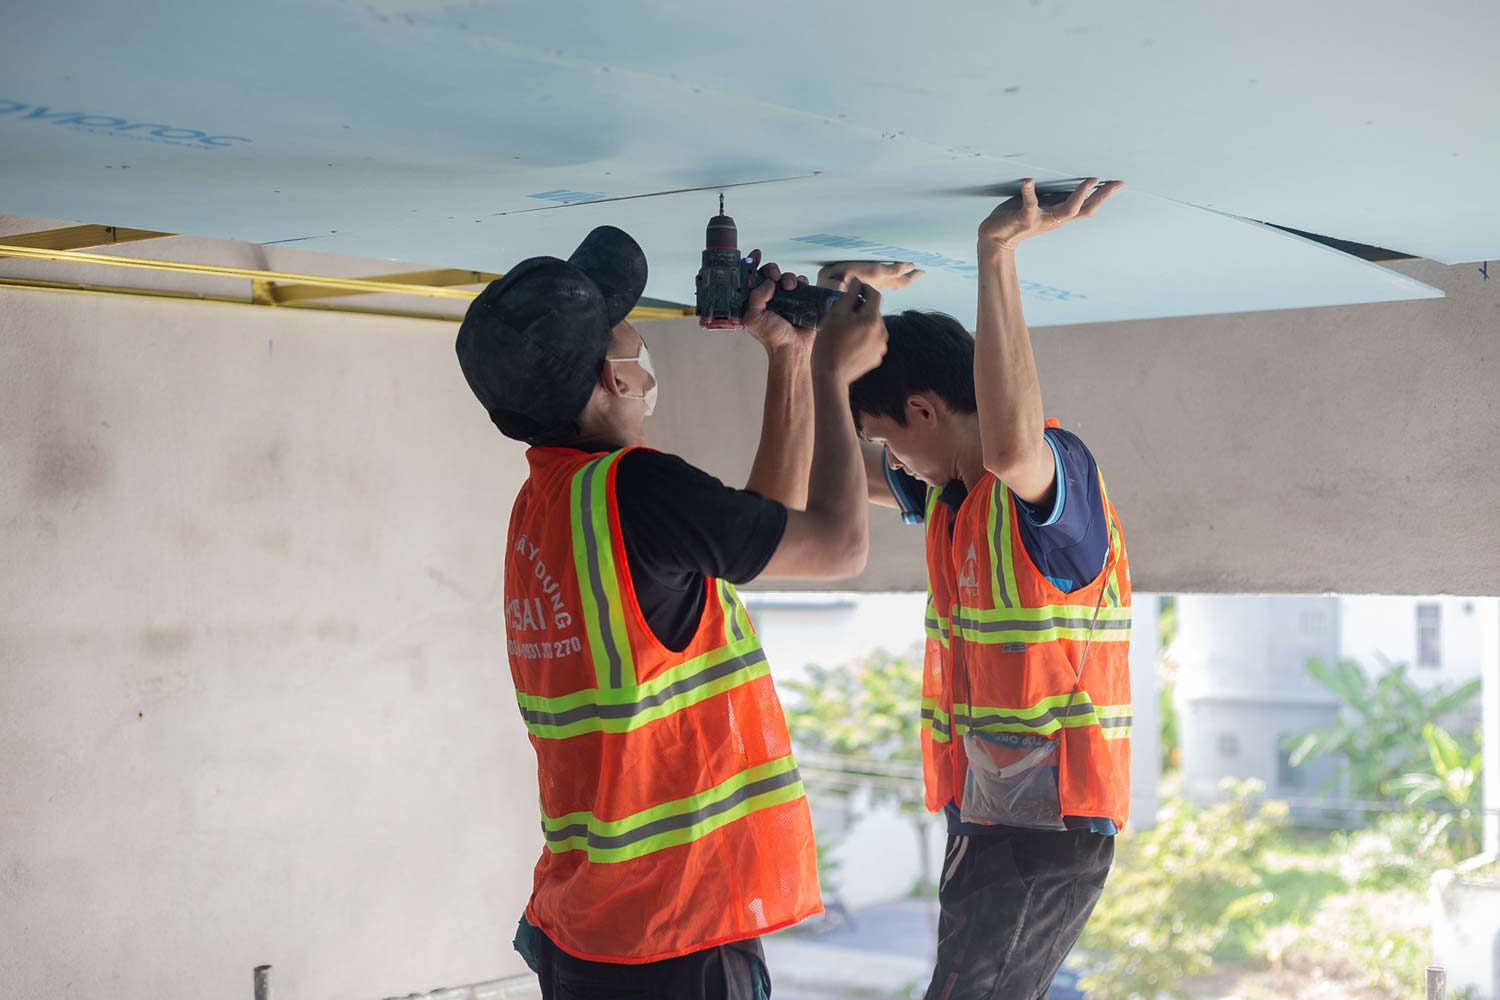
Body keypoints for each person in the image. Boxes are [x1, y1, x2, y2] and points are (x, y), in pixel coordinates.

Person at [454, 224, 888, 999]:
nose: (636, 336)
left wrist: (788, 356)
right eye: (622, 331)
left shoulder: (550, 502)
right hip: (675, 932)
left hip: (598, 928)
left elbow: (764, 525)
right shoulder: (636, 491)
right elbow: (837, 547)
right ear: (615, 382)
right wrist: (834, 374)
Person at [845, 179, 1132, 1000]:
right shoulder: (948, 497)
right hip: (987, 811)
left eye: (887, 440)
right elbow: (821, 474)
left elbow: (1011, 445)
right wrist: (838, 323)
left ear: (925, 409)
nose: (888, 462)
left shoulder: (1047, 483)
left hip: (1053, 823)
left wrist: (995, 252)